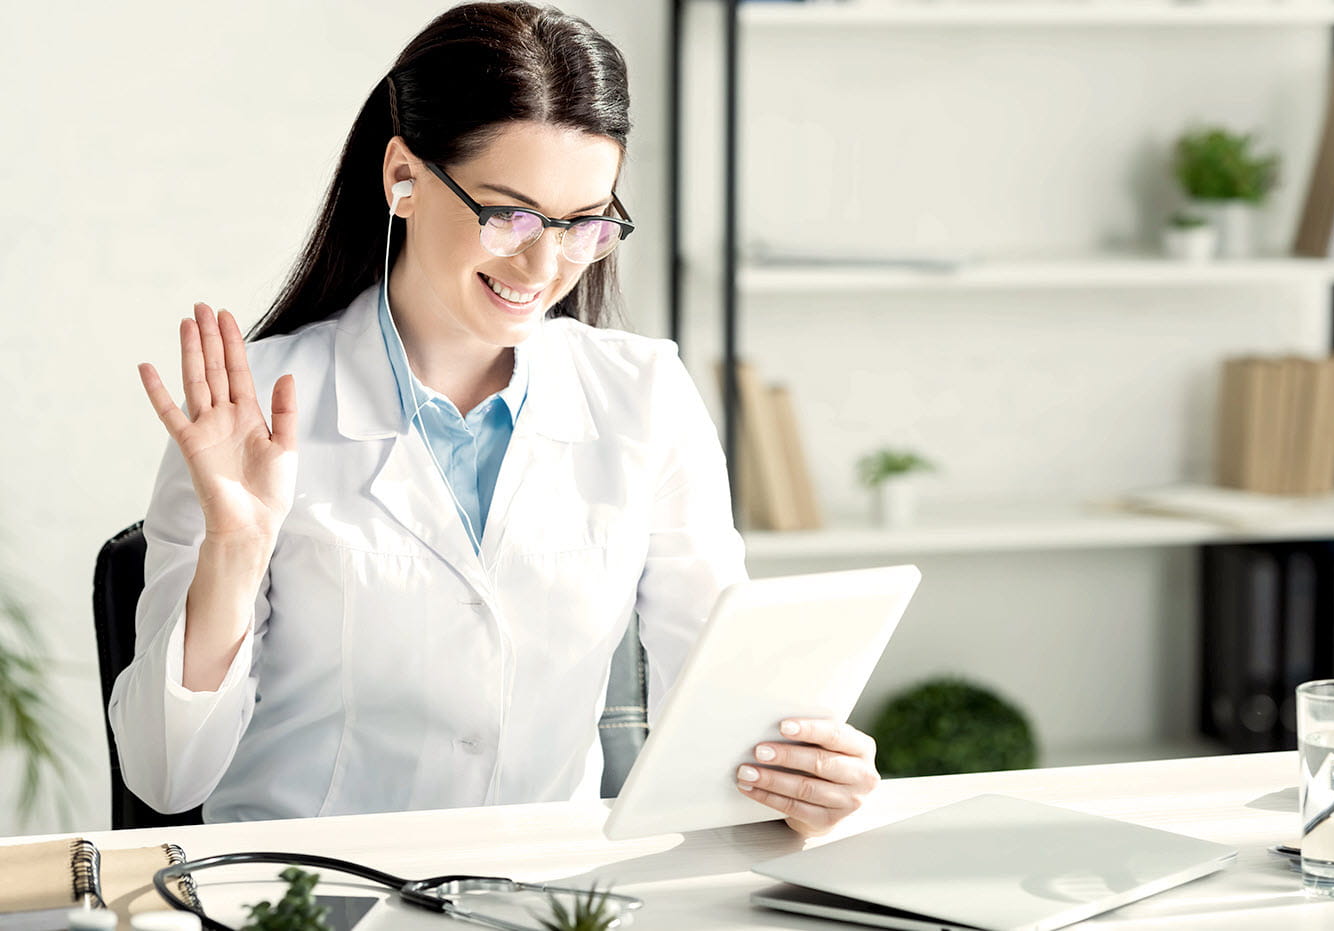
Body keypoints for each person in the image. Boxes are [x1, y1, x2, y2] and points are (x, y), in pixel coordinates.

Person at [110, 1, 878, 837]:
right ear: (403, 177)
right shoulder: (251, 408)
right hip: (311, 890)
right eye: (508, 214)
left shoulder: (644, 395)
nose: (544, 265)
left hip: (545, 891)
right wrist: (234, 550)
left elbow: (729, 696)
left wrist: (811, 767)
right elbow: (163, 775)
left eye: (584, 223)